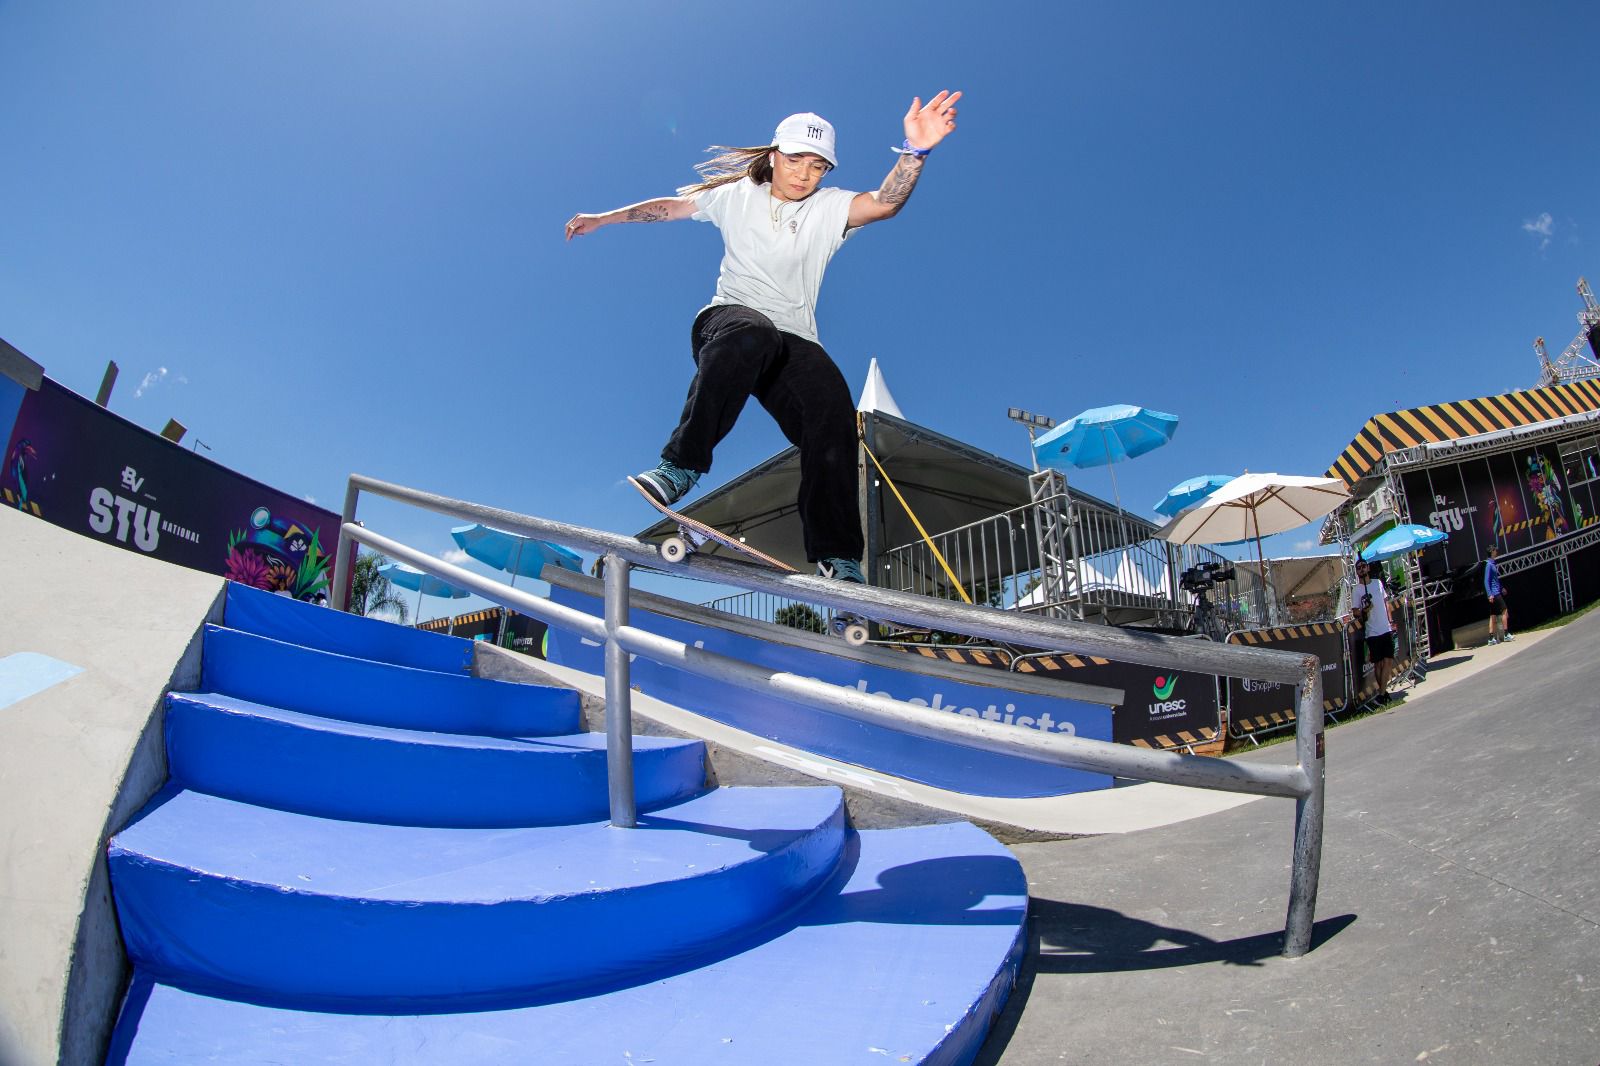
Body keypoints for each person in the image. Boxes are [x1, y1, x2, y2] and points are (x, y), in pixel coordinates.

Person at [565, 92, 963, 583]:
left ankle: (838, 557)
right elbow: (669, 207)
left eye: (817, 167)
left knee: (833, 413)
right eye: (795, 159)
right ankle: (680, 466)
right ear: (774, 155)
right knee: (752, 335)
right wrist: (605, 218)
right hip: (730, 322)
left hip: (795, 338)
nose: (804, 174)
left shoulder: (830, 208)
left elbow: (883, 204)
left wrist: (915, 151)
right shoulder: (734, 196)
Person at [1354, 558, 1396, 703]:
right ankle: (1383, 694)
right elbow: (1355, 612)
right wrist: (1363, 610)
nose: (1361, 569)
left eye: (1363, 566)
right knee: (1378, 664)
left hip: (1385, 627)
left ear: (1368, 568)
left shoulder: (1378, 583)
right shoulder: (1357, 590)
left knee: (1389, 660)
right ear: (1357, 571)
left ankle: (1382, 692)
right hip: (1372, 631)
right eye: (1358, 567)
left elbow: (1386, 603)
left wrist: (1391, 620)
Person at [1484, 546, 1511, 644]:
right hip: (1494, 593)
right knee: (1504, 610)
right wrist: (1489, 594)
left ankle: (1491, 639)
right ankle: (1506, 634)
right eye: (1495, 550)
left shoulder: (1493, 564)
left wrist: (1502, 588)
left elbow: (1496, 580)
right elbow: (1486, 581)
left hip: (1496, 591)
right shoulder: (1489, 565)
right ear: (1492, 552)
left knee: (1493, 615)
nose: (1497, 551)